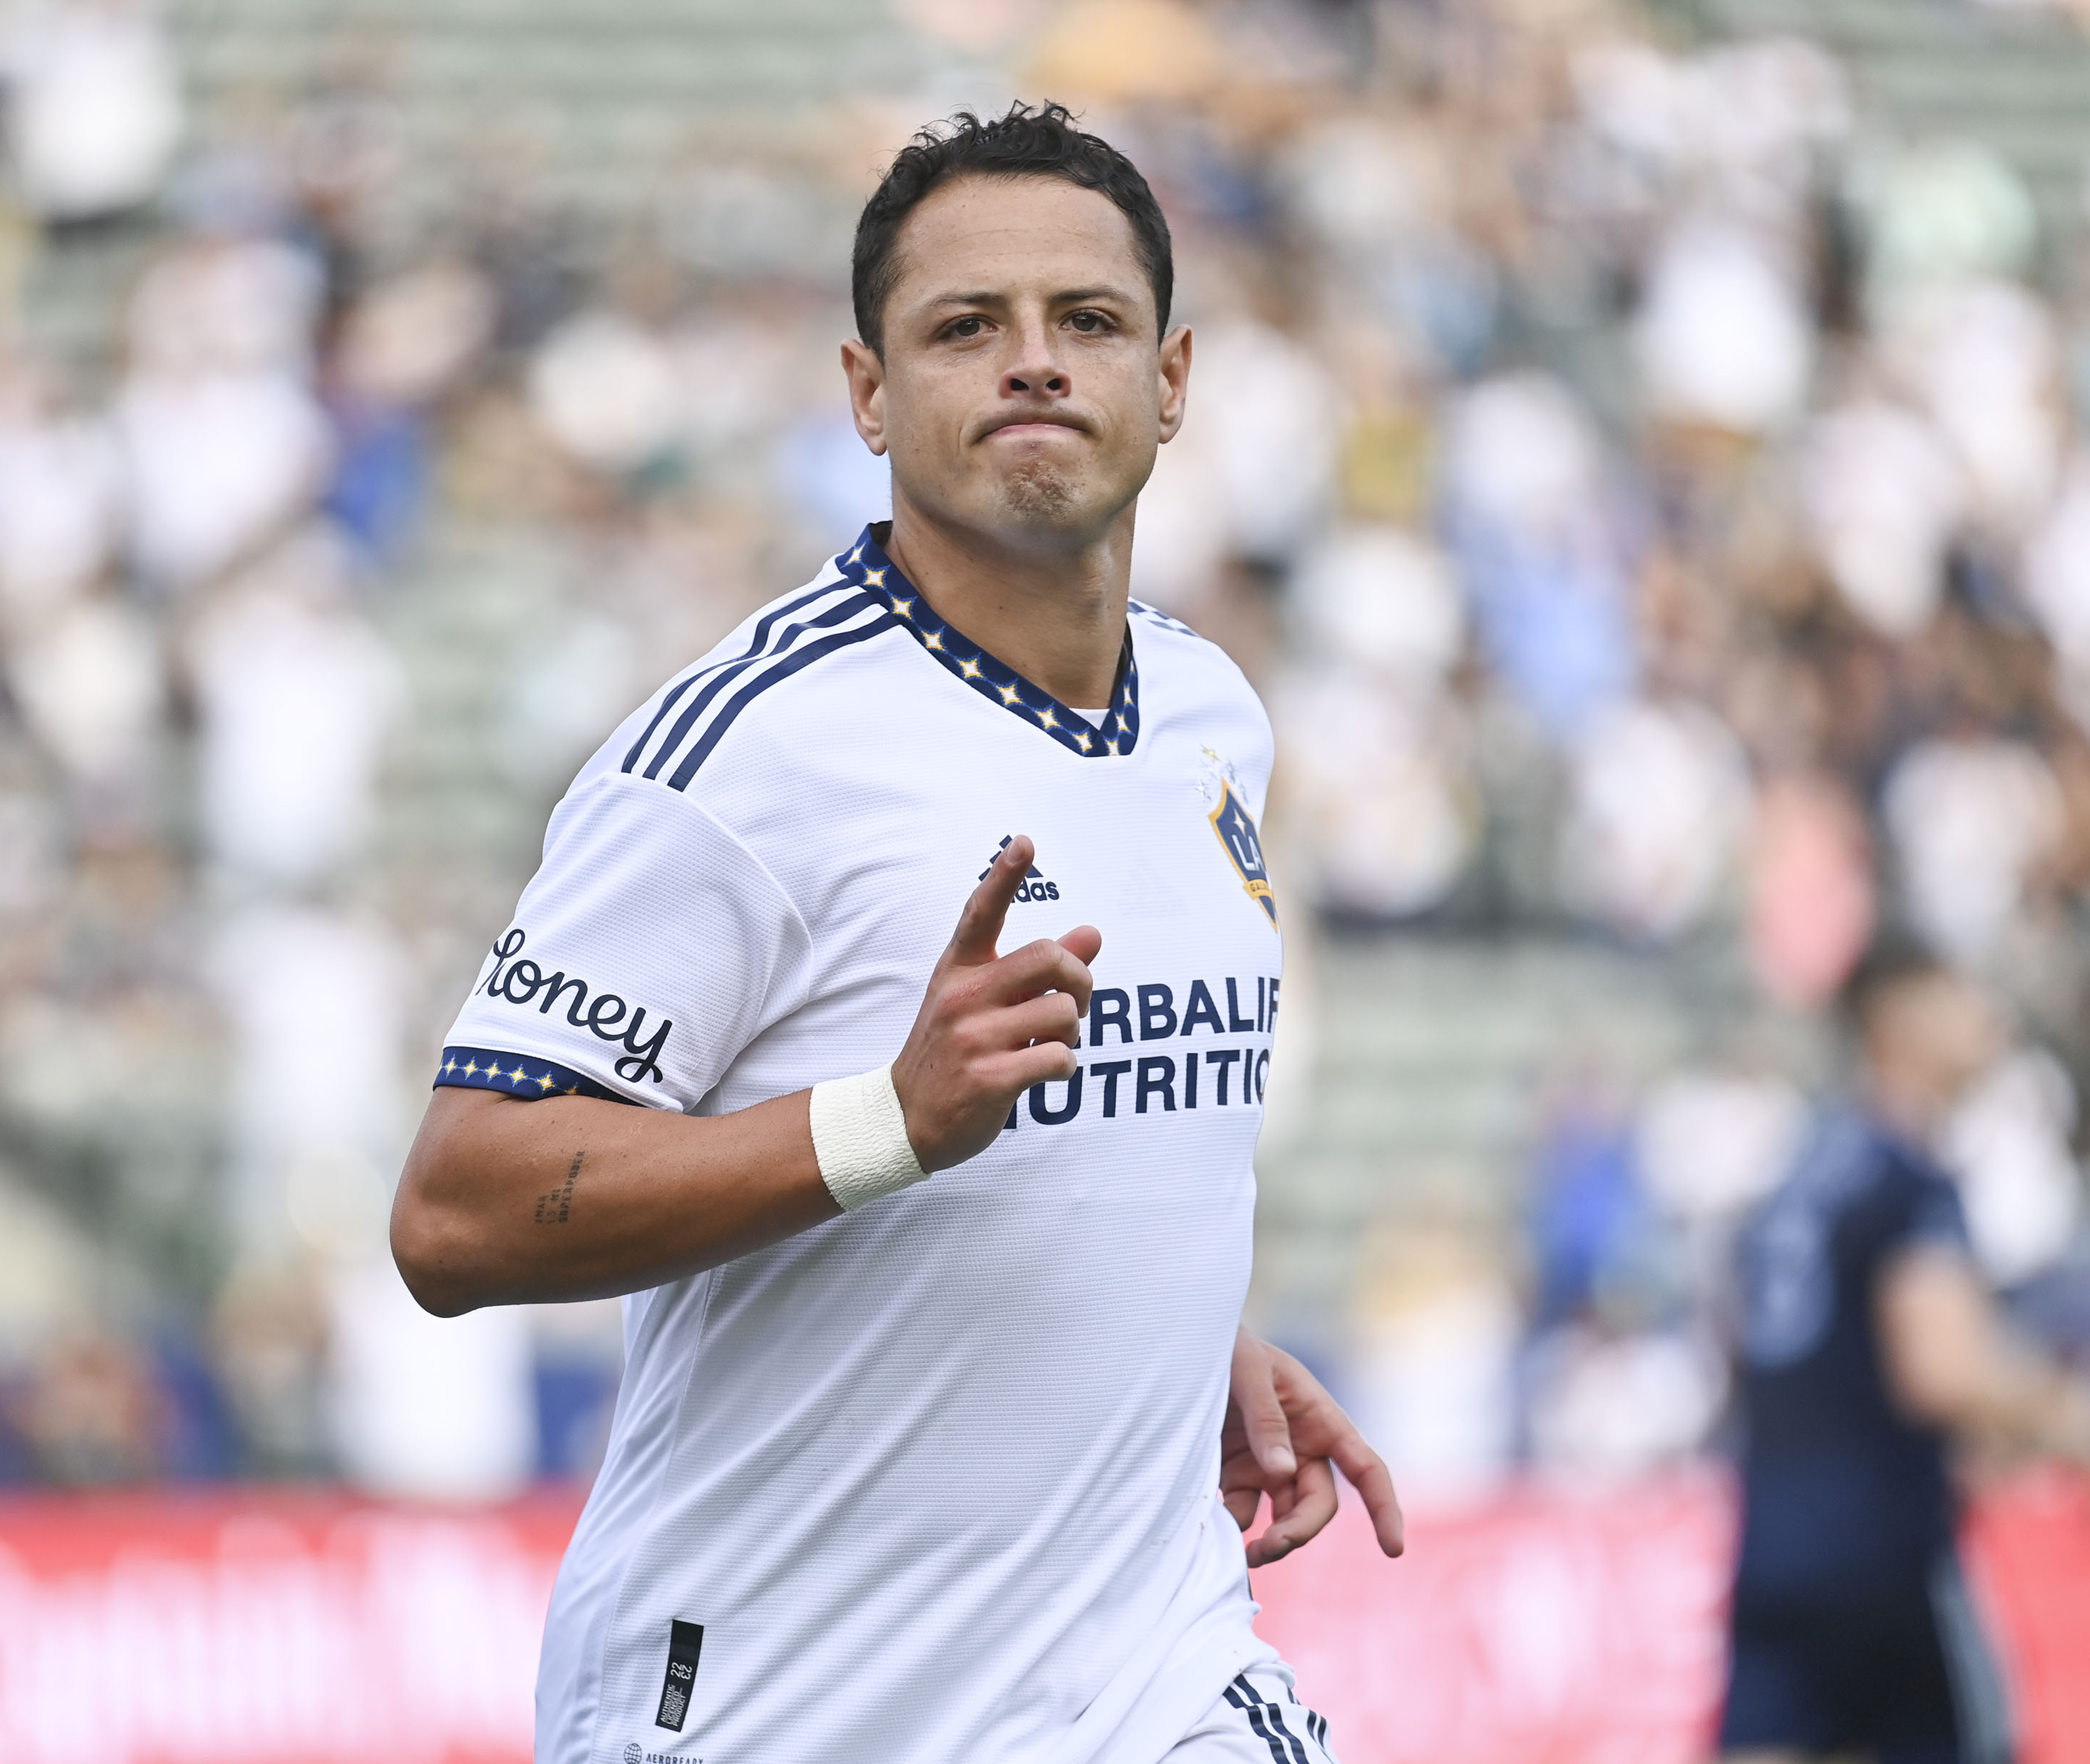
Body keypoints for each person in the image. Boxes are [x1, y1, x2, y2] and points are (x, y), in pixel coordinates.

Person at [392, 104, 1403, 1764]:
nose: (1032, 363)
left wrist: (1157, 1336)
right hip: (777, 1696)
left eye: (1085, 321)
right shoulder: (745, 753)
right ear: (867, 392)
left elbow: (1082, 1138)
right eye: (962, 327)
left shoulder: (1209, 713)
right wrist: (889, 1121)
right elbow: (453, 1208)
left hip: (1143, 1671)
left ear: (1171, 377)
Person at [1722, 949, 2090, 1764]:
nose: (1986, 1016)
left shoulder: (1795, 1173)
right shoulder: (1906, 1179)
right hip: (1883, 1551)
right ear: (1896, 1019)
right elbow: (1938, 1369)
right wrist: (2068, 1413)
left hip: (1772, 1540)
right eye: (1960, 993)